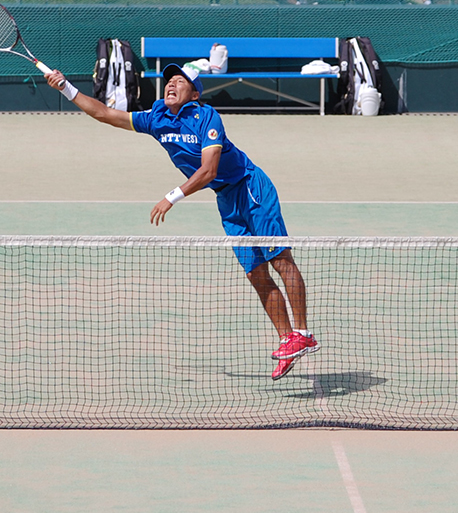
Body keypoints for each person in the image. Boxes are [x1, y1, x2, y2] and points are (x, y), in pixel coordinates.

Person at [43, 64, 319, 380]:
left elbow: (209, 171)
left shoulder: (206, 117)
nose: (171, 85)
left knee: (280, 260)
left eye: (180, 82)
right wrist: (65, 87)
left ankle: (302, 332)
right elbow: (106, 114)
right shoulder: (157, 117)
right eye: (169, 81)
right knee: (256, 273)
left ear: (195, 94)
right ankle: (287, 339)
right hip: (226, 200)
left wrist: (170, 197)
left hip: (249, 186)